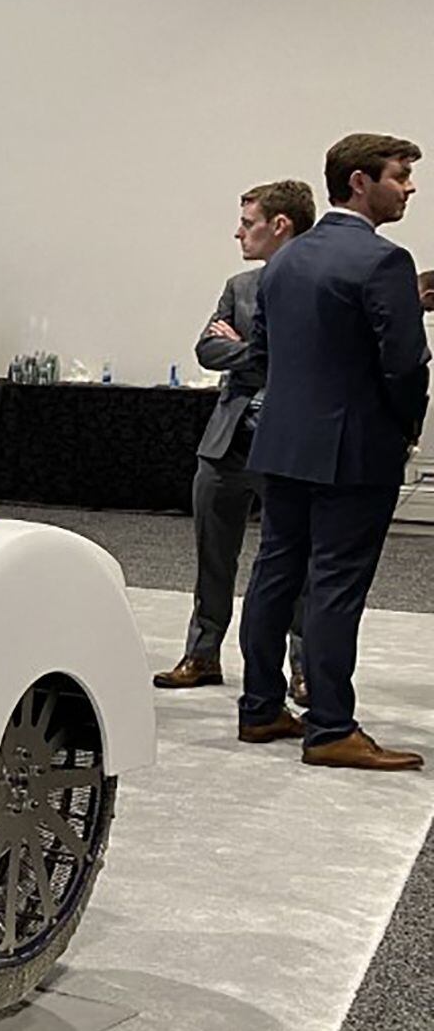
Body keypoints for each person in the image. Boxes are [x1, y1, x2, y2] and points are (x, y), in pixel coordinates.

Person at [236, 133, 430, 769]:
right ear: (359, 182)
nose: (409, 188)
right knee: (335, 585)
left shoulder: (282, 261)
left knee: (274, 574)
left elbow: (261, 354)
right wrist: (406, 426)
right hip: (355, 449)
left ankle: (259, 707)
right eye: (399, 176)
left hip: (282, 442)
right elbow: (406, 364)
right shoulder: (385, 261)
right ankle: (330, 729)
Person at [154, 180, 313, 697]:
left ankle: (305, 669)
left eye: (247, 223)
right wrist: (256, 354)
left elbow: (308, 359)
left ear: (280, 225)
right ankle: (202, 655)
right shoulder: (239, 286)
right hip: (225, 443)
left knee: (296, 561)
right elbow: (207, 350)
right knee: (212, 558)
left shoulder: (317, 282)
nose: (237, 233)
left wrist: (246, 351)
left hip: (288, 442)